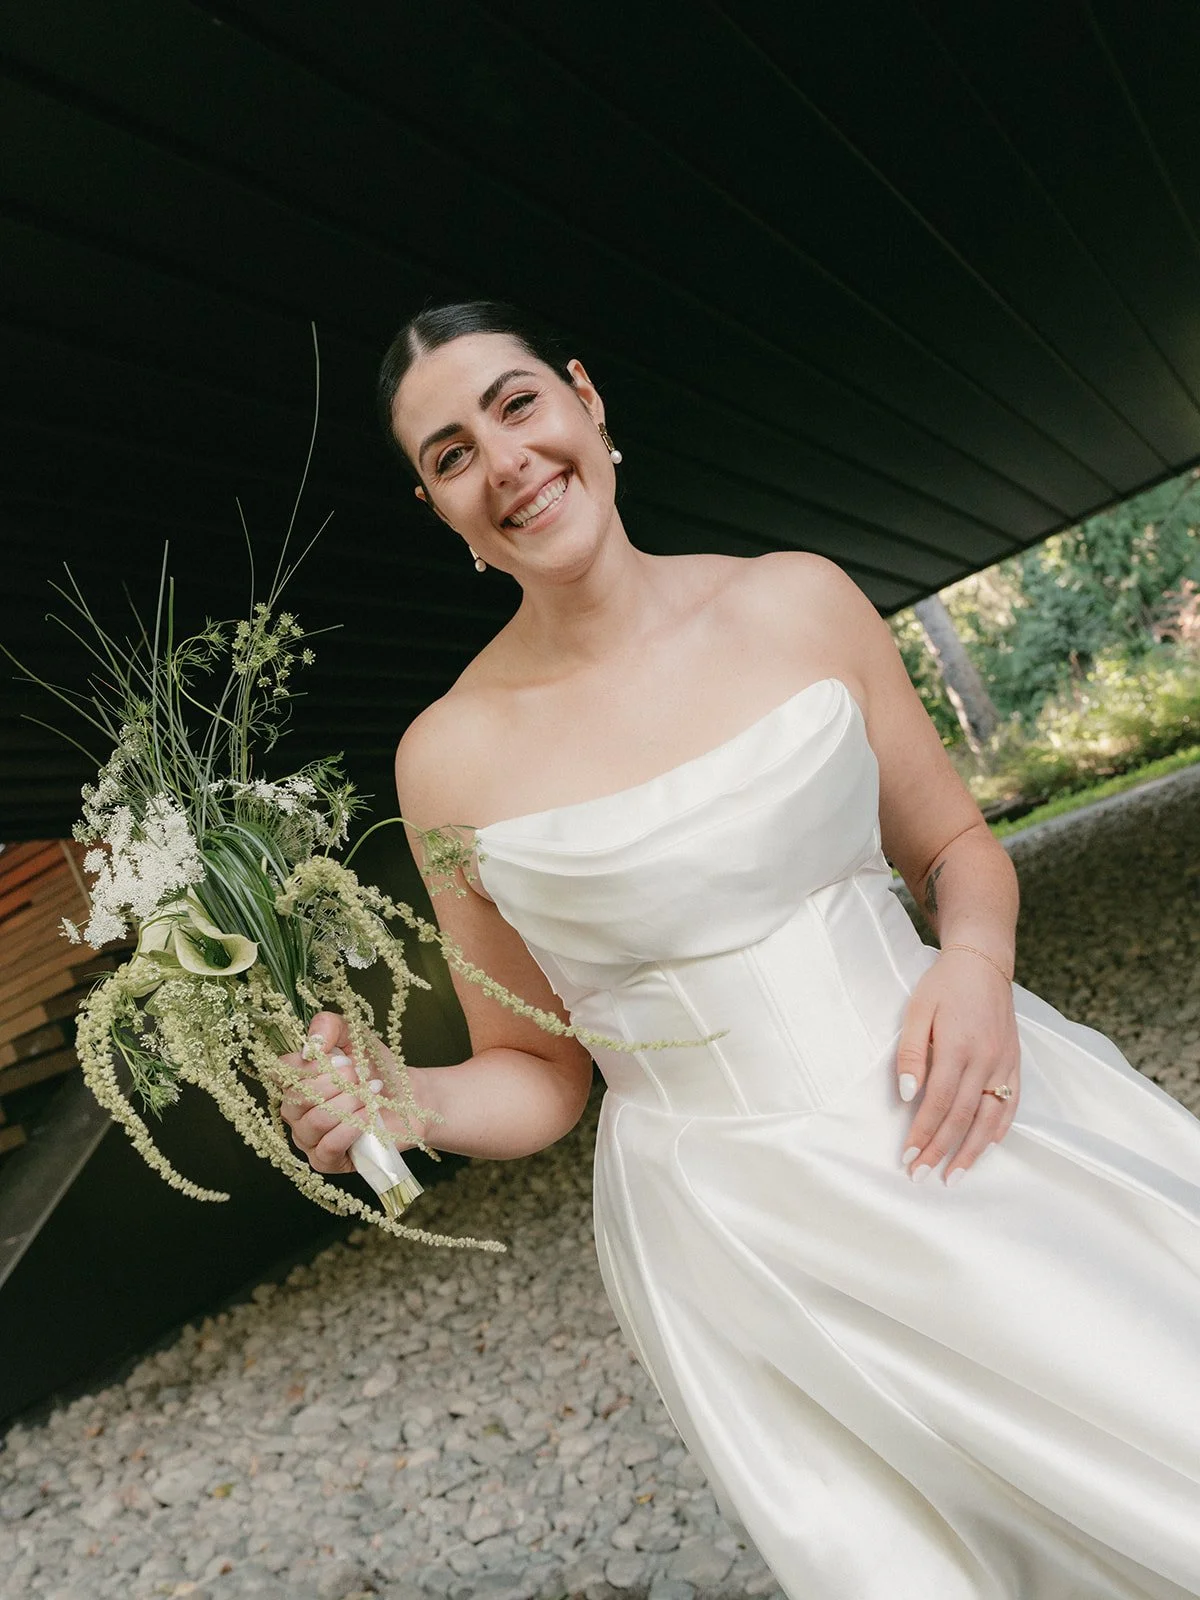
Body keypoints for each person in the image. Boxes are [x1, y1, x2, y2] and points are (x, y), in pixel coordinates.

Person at [281, 301, 1200, 1599]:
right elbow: (538, 1070)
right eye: (447, 455)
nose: (504, 463)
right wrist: (407, 1098)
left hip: (962, 1111)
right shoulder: (447, 761)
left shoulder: (798, 600)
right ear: (440, 510)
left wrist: (977, 970)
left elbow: (956, 852)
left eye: (515, 404)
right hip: (742, 1230)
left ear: (585, 400)